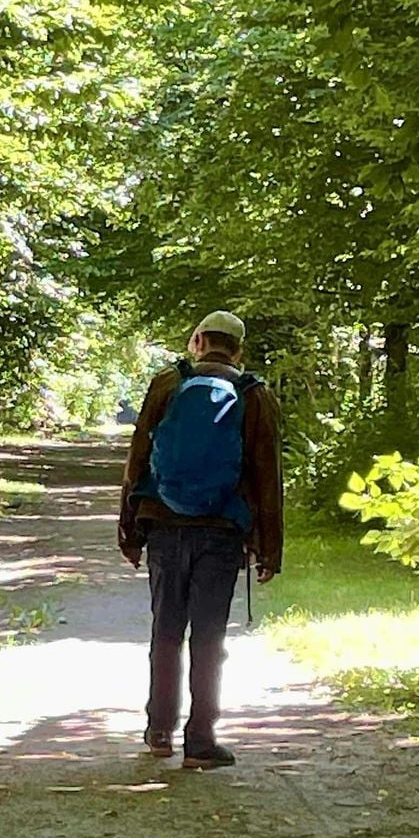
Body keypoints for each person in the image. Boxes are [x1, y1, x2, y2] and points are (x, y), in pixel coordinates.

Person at [118, 311, 283, 769]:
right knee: (209, 636)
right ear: (238, 349)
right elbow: (267, 475)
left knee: (165, 630)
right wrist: (269, 547)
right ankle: (200, 740)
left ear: (197, 342)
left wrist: (129, 528)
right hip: (221, 529)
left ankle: (158, 730)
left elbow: (139, 457)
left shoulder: (168, 384)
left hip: (165, 524)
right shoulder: (254, 395)